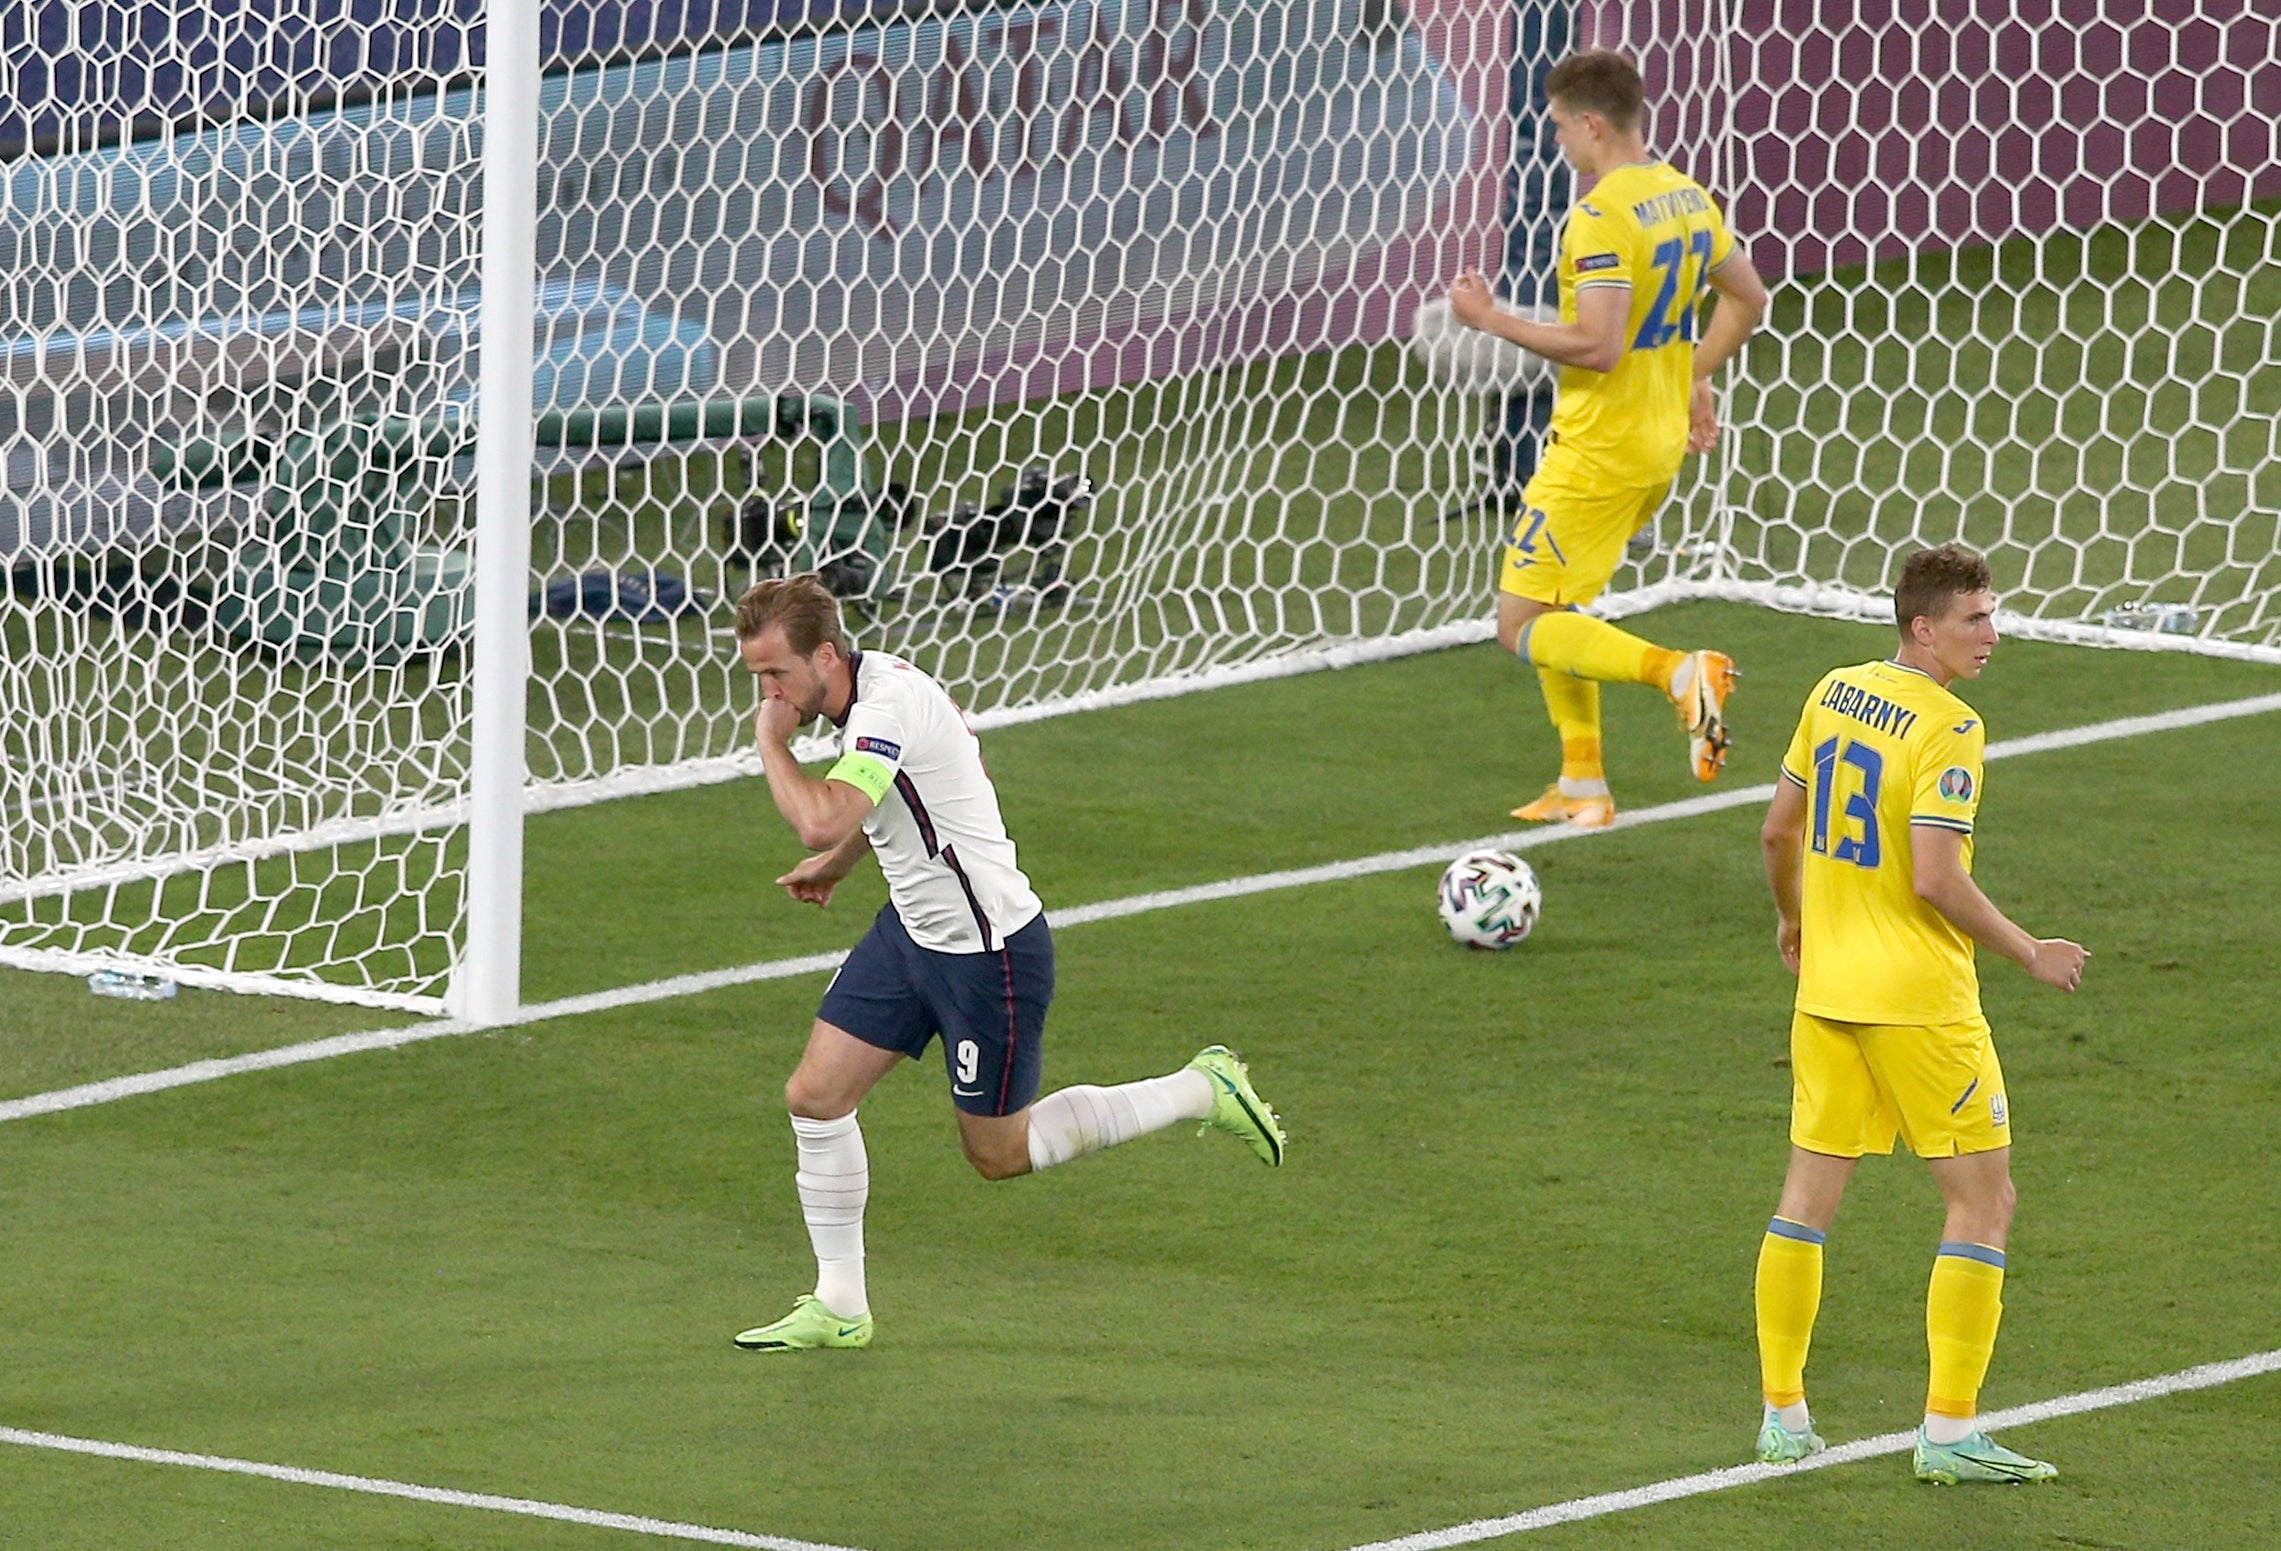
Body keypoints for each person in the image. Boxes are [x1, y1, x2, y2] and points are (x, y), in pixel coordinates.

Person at [728, 574, 1287, 1352]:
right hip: (912, 936)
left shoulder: (883, 706)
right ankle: (840, 1302)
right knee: (815, 1096)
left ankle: (1199, 1087)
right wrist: (846, 863)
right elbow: (931, 780)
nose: (769, 693)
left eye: (776, 674)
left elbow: (819, 814)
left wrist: (769, 744)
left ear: (825, 653)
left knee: (997, 1152)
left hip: (989, 954)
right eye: (757, 678)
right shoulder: (873, 690)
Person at [1753, 544, 2089, 1483]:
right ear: (1921, 626)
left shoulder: (1832, 690)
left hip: (1826, 991)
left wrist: (1792, 917)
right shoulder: (1948, 726)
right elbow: (1935, 877)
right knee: (1983, 1200)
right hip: (1918, 1002)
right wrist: (2030, 950)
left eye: (1991, 614)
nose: (1992, 633)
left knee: (1805, 1202)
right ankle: (1948, 1434)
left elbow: (1778, 828)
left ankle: (1782, 1415)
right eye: (1974, 618)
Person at [1449, 48, 1768, 829]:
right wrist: (1690, 374)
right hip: (1655, 441)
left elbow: (1597, 344)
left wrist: (1489, 321)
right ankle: (1582, 783)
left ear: (1591, 124)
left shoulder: (1601, 215)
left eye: (1560, 127)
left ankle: (1678, 672)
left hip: (1598, 448)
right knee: (1564, 606)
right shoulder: (1683, 196)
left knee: (1519, 624)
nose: (1557, 142)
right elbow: (1747, 296)